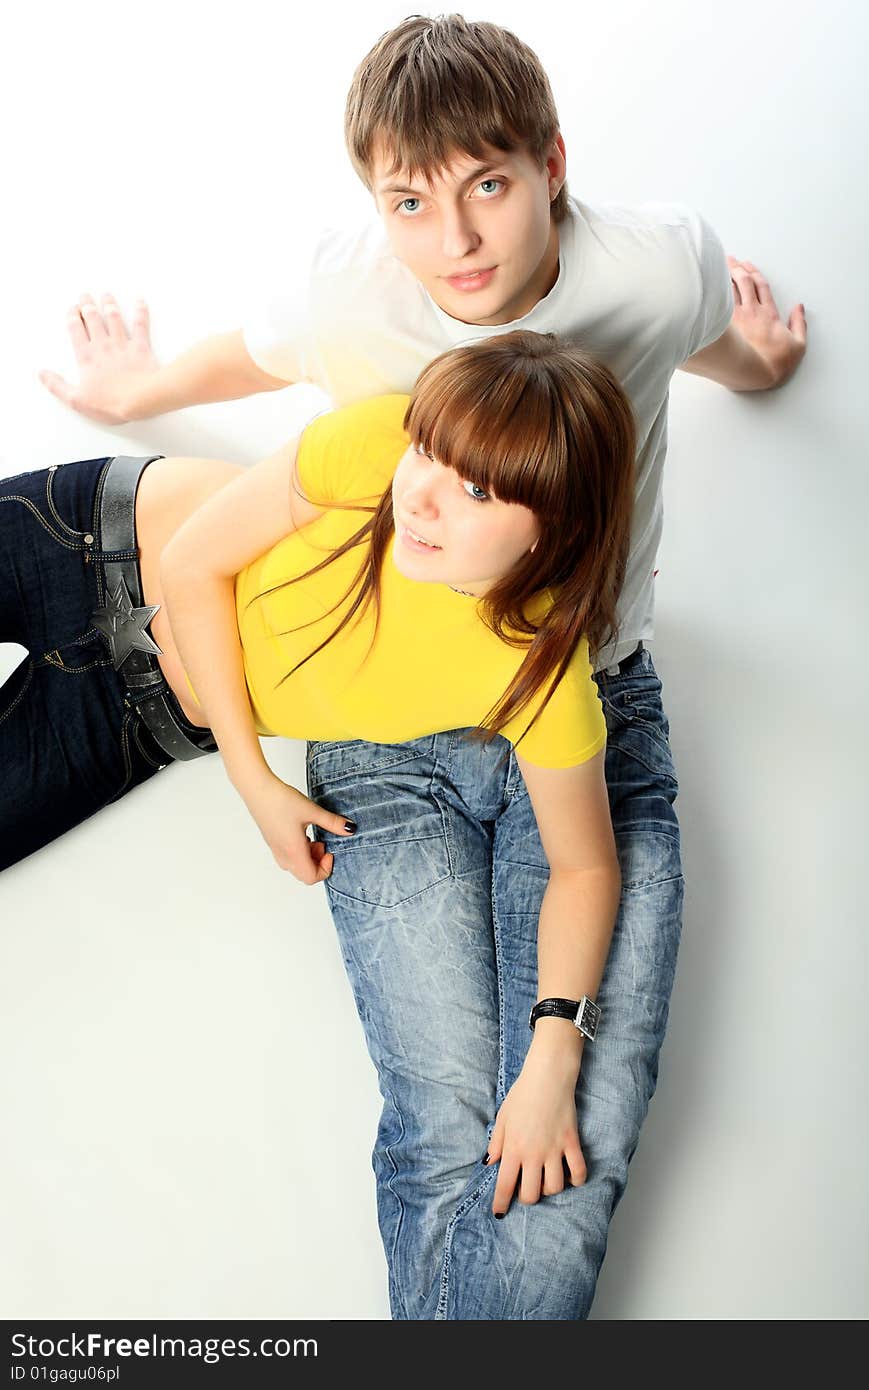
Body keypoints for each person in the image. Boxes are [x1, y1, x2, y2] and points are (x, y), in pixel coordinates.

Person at [32, 14, 807, 1319]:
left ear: (554, 163)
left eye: (489, 187)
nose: (456, 245)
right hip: (390, 742)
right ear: (376, 205)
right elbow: (257, 351)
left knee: (561, 1174)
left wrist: (759, 359)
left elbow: (694, 329)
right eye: (410, 202)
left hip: (584, 699)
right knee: (444, 1131)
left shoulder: (656, 262)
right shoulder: (350, 296)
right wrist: (139, 387)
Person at [4, 330, 632, 1314]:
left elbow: (584, 867)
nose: (419, 492)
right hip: (94, 536)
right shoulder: (377, 446)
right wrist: (255, 782)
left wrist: (554, 1049)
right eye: (431, 453)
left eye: (477, 492)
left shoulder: (535, 673)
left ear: (553, 532)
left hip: (139, 715)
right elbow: (200, 561)